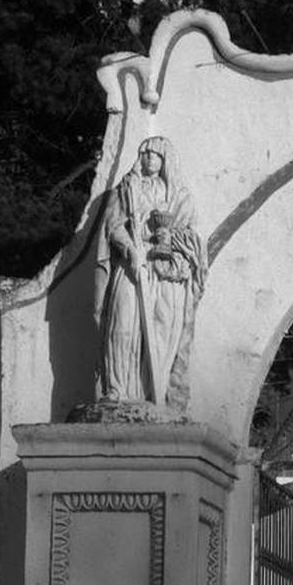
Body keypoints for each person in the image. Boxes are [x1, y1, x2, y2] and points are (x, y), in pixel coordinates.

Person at [95, 136, 206, 411]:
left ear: (165, 160)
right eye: (144, 153)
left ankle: (154, 393)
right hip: (131, 265)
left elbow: (193, 239)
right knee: (122, 327)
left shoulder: (180, 196)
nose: (148, 159)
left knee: (162, 332)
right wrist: (131, 249)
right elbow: (113, 226)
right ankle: (118, 390)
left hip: (166, 274)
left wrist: (169, 239)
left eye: (155, 155)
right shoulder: (127, 188)